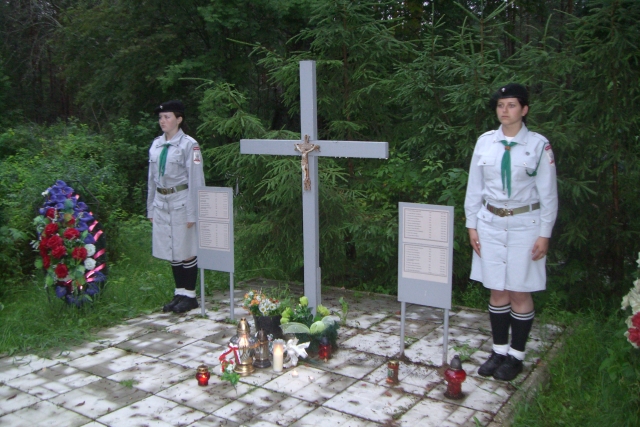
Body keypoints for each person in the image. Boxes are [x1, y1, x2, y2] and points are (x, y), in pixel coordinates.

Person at [464, 83, 558, 381]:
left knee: (519, 289)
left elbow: (548, 194)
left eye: (512, 105)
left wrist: (544, 233)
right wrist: (471, 225)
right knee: (497, 289)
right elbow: (474, 187)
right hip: (490, 224)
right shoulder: (485, 143)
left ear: (524, 109)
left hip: (524, 226)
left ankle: (516, 355)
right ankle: (498, 351)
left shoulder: (538, 146)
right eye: (500, 105)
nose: (505, 110)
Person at [147, 100, 205, 313]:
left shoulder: (189, 145)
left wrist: (193, 212)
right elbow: (151, 180)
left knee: (186, 248)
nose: (162, 121)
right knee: (172, 249)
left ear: (179, 119)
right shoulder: (156, 145)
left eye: (167, 117)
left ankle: (190, 295)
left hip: (181, 201)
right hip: (162, 202)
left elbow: (196, 180)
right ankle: (179, 293)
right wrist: (150, 208)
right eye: (160, 117)